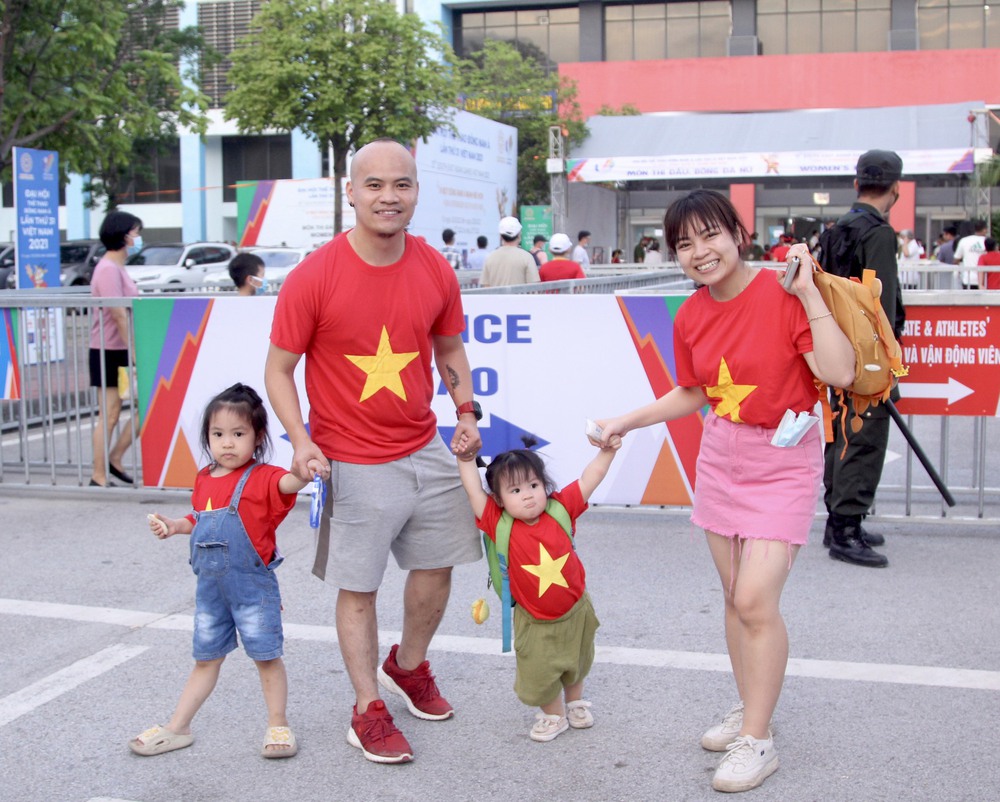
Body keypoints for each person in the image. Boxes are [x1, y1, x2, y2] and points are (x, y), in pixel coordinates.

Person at [597, 189, 854, 793]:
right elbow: (694, 392)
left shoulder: (783, 292)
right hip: (721, 457)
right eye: (684, 244)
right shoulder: (690, 315)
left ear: (738, 234)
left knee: (756, 600)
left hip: (784, 460)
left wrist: (810, 291)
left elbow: (839, 373)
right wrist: (623, 422)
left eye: (709, 235)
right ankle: (751, 706)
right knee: (734, 597)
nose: (699, 252)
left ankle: (758, 742)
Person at [264, 138, 482, 764]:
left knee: (438, 566)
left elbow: (450, 352)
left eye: (402, 185)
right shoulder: (314, 275)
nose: (389, 197)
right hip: (351, 458)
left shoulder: (435, 267)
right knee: (358, 588)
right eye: (376, 185)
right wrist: (302, 441)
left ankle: (407, 667)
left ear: (416, 191)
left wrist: (464, 412)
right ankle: (366, 709)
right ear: (351, 193)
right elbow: (279, 370)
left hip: (425, 445)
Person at [129, 383, 328, 759]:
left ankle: (278, 725)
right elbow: (199, 517)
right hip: (210, 592)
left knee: (266, 657)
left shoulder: (265, 477)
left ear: (258, 437)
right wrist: (174, 525)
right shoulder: (204, 477)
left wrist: (306, 468)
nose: (227, 443)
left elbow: (290, 482)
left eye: (238, 434)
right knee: (205, 659)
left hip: (252, 589)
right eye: (218, 434)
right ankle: (178, 727)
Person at [454, 441, 619, 743]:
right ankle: (554, 714)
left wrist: (608, 451)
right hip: (535, 619)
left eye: (533, 484)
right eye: (515, 490)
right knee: (539, 670)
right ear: (500, 500)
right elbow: (474, 491)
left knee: (578, 660)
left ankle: (575, 702)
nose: (528, 494)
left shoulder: (560, 508)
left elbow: (591, 476)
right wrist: (466, 459)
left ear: (545, 485)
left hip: (577, 609)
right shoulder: (497, 522)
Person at [819, 149, 905, 568]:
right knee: (864, 438)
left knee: (841, 434)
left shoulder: (836, 229)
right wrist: (884, 362)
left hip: (834, 348)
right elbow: (880, 307)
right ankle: (846, 528)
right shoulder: (879, 234)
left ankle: (838, 520)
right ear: (896, 190)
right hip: (866, 353)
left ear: (856, 184)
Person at [88, 210, 142, 487]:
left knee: (141, 407)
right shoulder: (108, 268)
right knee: (109, 414)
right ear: (123, 234)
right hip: (109, 350)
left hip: (120, 349)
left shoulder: (117, 267)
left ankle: (115, 458)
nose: (137, 237)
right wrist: (132, 350)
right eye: (135, 231)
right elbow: (118, 312)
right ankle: (99, 473)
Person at [481, 217, 539, 287]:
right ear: (519, 234)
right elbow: (534, 287)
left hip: (496, 298)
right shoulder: (527, 257)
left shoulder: (490, 257)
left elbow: (486, 287)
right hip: (520, 298)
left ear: (501, 236)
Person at [953, 219, 988, 289]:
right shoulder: (988, 242)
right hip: (984, 279)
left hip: (968, 278)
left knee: (969, 299)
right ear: (984, 229)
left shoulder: (964, 241)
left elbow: (956, 259)